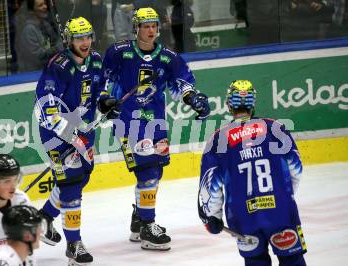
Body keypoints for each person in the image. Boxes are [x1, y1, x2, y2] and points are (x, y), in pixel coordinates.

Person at [101, 7, 211, 251]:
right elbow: (102, 78)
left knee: (156, 172)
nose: (151, 30)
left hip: (155, 122)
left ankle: (139, 216)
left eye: (154, 26)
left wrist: (193, 98)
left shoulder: (168, 56)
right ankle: (148, 227)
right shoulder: (119, 52)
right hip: (127, 120)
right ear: (136, 28)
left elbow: (182, 83)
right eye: (145, 26)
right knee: (147, 172)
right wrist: (104, 99)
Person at [198, 80, 307, 266]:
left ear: (228, 104)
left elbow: (210, 187)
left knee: (255, 261)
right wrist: (284, 197)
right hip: (280, 211)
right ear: (252, 103)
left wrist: (211, 217)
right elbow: (296, 169)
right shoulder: (275, 128)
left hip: (243, 216)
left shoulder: (217, 139)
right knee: (293, 260)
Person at [35, 16, 109, 265]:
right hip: (55, 135)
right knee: (71, 186)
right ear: (69, 40)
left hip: (85, 130)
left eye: (88, 36)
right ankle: (73, 245)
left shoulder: (96, 61)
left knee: (81, 177)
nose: (85, 42)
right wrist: (71, 136)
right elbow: (45, 110)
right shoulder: (58, 66)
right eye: (79, 37)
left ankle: (44, 216)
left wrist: (106, 103)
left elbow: (100, 91)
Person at [15, 0, 63, 72]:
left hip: (47, 69)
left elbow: (55, 41)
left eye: (45, 4)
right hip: (32, 74)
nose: (45, 7)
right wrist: (57, 48)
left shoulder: (45, 24)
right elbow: (37, 58)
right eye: (40, 5)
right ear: (32, 11)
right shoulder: (28, 30)